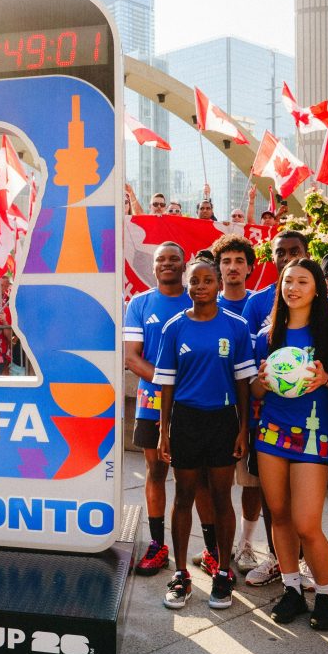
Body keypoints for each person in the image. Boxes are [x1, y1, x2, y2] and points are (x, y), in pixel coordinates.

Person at [252, 259, 328, 629]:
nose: (293, 287)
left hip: (312, 434)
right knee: (279, 515)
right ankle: (291, 589)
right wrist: (261, 381)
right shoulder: (267, 334)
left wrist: (326, 378)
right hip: (272, 433)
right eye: (287, 281)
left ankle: (324, 594)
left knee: (307, 523)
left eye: (302, 282)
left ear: (316, 289)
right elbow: (255, 388)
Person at [154, 259, 256, 609]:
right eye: (194, 280)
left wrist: (243, 428)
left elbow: (243, 383)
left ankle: (224, 573)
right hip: (185, 420)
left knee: (221, 497)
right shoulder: (174, 327)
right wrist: (164, 429)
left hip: (223, 422)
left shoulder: (237, 327)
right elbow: (167, 384)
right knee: (183, 496)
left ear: (217, 285)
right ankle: (180, 574)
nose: (200, 286)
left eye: (207, 280)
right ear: (187, 284)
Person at [125, 243, 223, 577]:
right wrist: (171, 384)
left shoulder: (200, 296)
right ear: (153, 267)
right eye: (160, 260)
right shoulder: (139, 304)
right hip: (153, 404)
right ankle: (157, 545)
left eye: (174, 259)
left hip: (196, 407)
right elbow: (132, 358)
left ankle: (213, 551)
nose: (167, 264)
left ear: (185, 265)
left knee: (200, 481)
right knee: (155, 472)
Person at [240, 230, 312, 587]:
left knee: (305, 502)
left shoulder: (322, 307)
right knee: (274, 500)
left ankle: (306, 562)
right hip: (266, 419)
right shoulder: (258, 304)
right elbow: (256, 365)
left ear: (307, 253)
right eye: (279, 253)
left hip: (311, 424)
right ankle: (277, 560)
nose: (286, 257)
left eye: (293, 251)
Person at [210, 234, 261, 573]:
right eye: (226, 261)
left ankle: (245, 545)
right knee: (217, 482)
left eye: (239, 261)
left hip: (256, 410)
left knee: (252, 484)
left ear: (250, 267)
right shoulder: (204, 304)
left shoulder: (263, 305)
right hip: (216, 409)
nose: (232, 267)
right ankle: (219, 547)